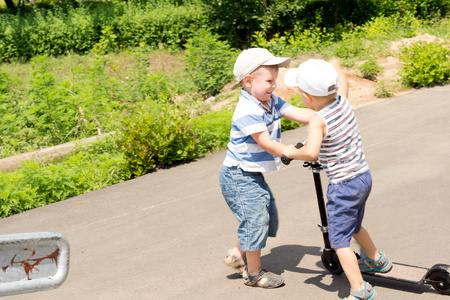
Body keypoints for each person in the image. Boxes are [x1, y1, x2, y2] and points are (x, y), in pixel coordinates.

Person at [282, 59, 392, 300]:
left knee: (339, 240)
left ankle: (360, 290)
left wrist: (290, 151)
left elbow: (311, 152)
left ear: (307, 97)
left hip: (343, 186)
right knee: (353, 225)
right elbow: (343, 83)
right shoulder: (342, 101)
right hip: (363, 177)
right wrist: (337, 66)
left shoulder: (317, 120)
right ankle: (376, 260)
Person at [219, 48, 315, 288]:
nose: (274, 86)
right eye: (269, 81)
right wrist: (293, 151)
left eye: (275, 80)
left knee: (265, 215)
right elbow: (267, 143)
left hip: (250, 173)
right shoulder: (247, 110)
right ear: (249, 81)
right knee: (256, 219)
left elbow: (295, 112)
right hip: (237, 175)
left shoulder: (270, 101)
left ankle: (237, 254)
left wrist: (319, 118)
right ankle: (253, 273)